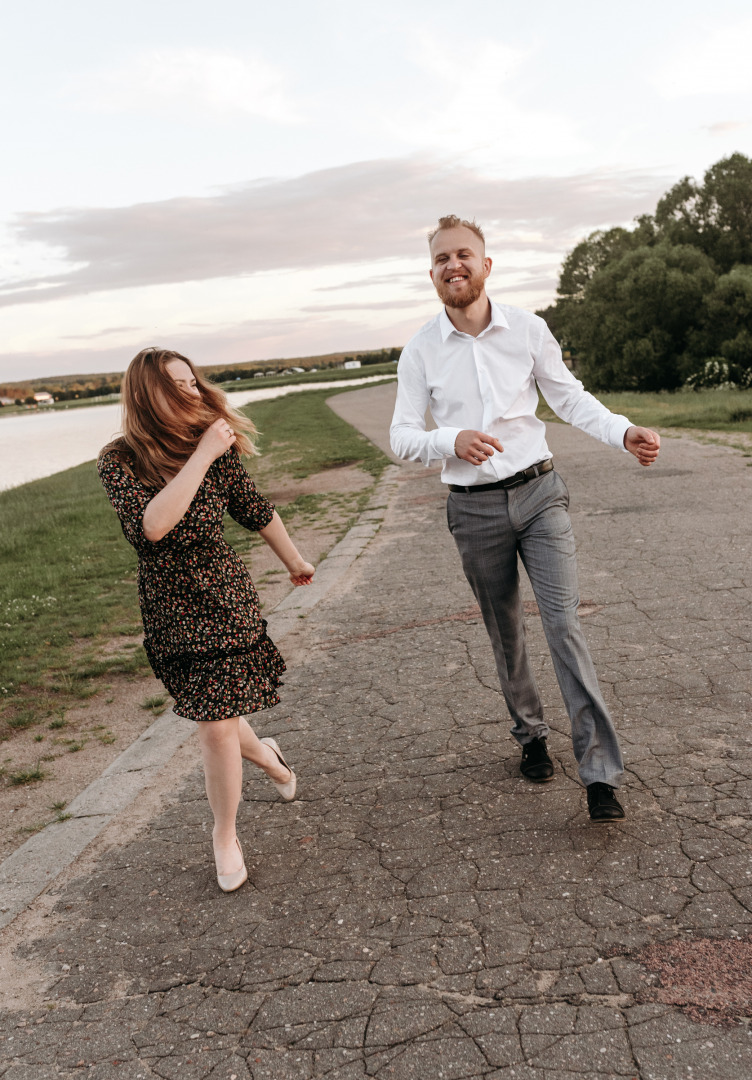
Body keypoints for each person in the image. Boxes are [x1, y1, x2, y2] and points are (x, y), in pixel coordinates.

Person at [390, 215, 661, 822]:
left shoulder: (529, 330)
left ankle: (600, 775)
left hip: (540, 494)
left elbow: (568, 396)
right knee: (505, 629)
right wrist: (449, 440)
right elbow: (402, 436)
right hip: (474, 508)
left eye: (463, 254)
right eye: (441, 259)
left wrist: (623, 432)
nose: (452, 265)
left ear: (486, 266)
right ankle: (531, 734)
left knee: (564, 626)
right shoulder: (420, 351)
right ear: (432, 275)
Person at [98, 347, 314, 891]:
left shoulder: (218, 449)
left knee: (215, 724)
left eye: (194, 383)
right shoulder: (118, 459)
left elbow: (254, 509)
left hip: (224, 597)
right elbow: (152, 527)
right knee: (214, 714)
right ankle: (268, 757)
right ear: (149, 394)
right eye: (179, 385)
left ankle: (225, 836)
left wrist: (295, 562)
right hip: (169, 607)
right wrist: (200, 455)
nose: (194, 393)